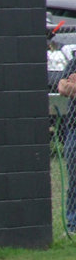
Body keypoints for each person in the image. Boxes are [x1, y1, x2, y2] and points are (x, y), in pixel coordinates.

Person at [58, 63, 76, 231]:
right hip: (73, 128)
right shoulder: (74, 62)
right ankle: (73, 225)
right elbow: (62, 87)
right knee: (74, 179)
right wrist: (70, 86)